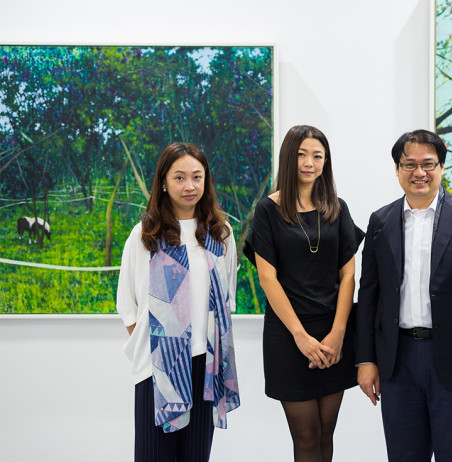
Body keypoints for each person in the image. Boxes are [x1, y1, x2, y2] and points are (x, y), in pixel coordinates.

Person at [356, 129, 452, 461]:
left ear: (441, 167)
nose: (419, 173)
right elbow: (368, 294)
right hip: (397, 361)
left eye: (428, 164)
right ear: (397, 170)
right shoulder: (380, 222)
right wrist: (366, 359)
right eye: (409, 165)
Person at [243, 125, 364, 462]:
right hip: (289, 336)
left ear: (326, 162)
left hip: (332, 335)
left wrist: (339, 333)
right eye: (301, 154)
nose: (309, 162)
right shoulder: (269, 210)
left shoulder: (337, 208)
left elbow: (349, 273)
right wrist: (301, 337)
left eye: (317, 156)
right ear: (288, 157)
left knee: (327, 435)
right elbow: (268, 278)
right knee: (307, 439)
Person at [116, 142, 240, 461]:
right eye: (180, 177)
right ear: (163, 182)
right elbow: (127, 306)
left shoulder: (220, 235)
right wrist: (162, 352)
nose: (190, 186)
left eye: (197, 177)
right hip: (157, 369)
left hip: (206, 369)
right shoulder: (143, 236)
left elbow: (226, 300)